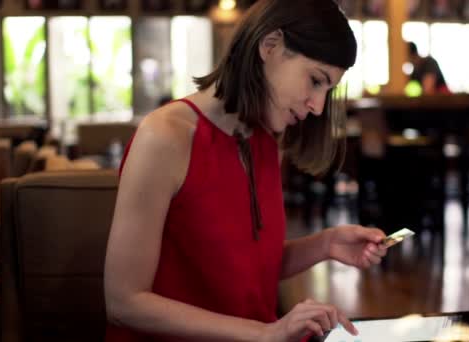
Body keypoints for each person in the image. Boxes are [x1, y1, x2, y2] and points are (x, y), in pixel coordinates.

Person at [104, 1, 388, 341]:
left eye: (328, 90)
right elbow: (124, 302)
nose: (318, 107)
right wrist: (266, 333)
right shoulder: (165, 135)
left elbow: (242, 268)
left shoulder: (265, 138)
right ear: (270, 46)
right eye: (315, 81)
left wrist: (326, 244)